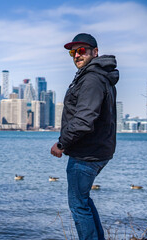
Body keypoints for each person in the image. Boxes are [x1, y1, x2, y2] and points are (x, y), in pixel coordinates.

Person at [51, 33, 119, 240]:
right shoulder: (97, 76)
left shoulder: (92, 78)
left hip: (86, 153)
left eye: (81, 50)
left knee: (78, 204)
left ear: (95, 52)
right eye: (73, 52)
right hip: (96, 149)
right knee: (83, 200)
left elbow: (85, 119)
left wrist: (62, 143)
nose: (76, 55)